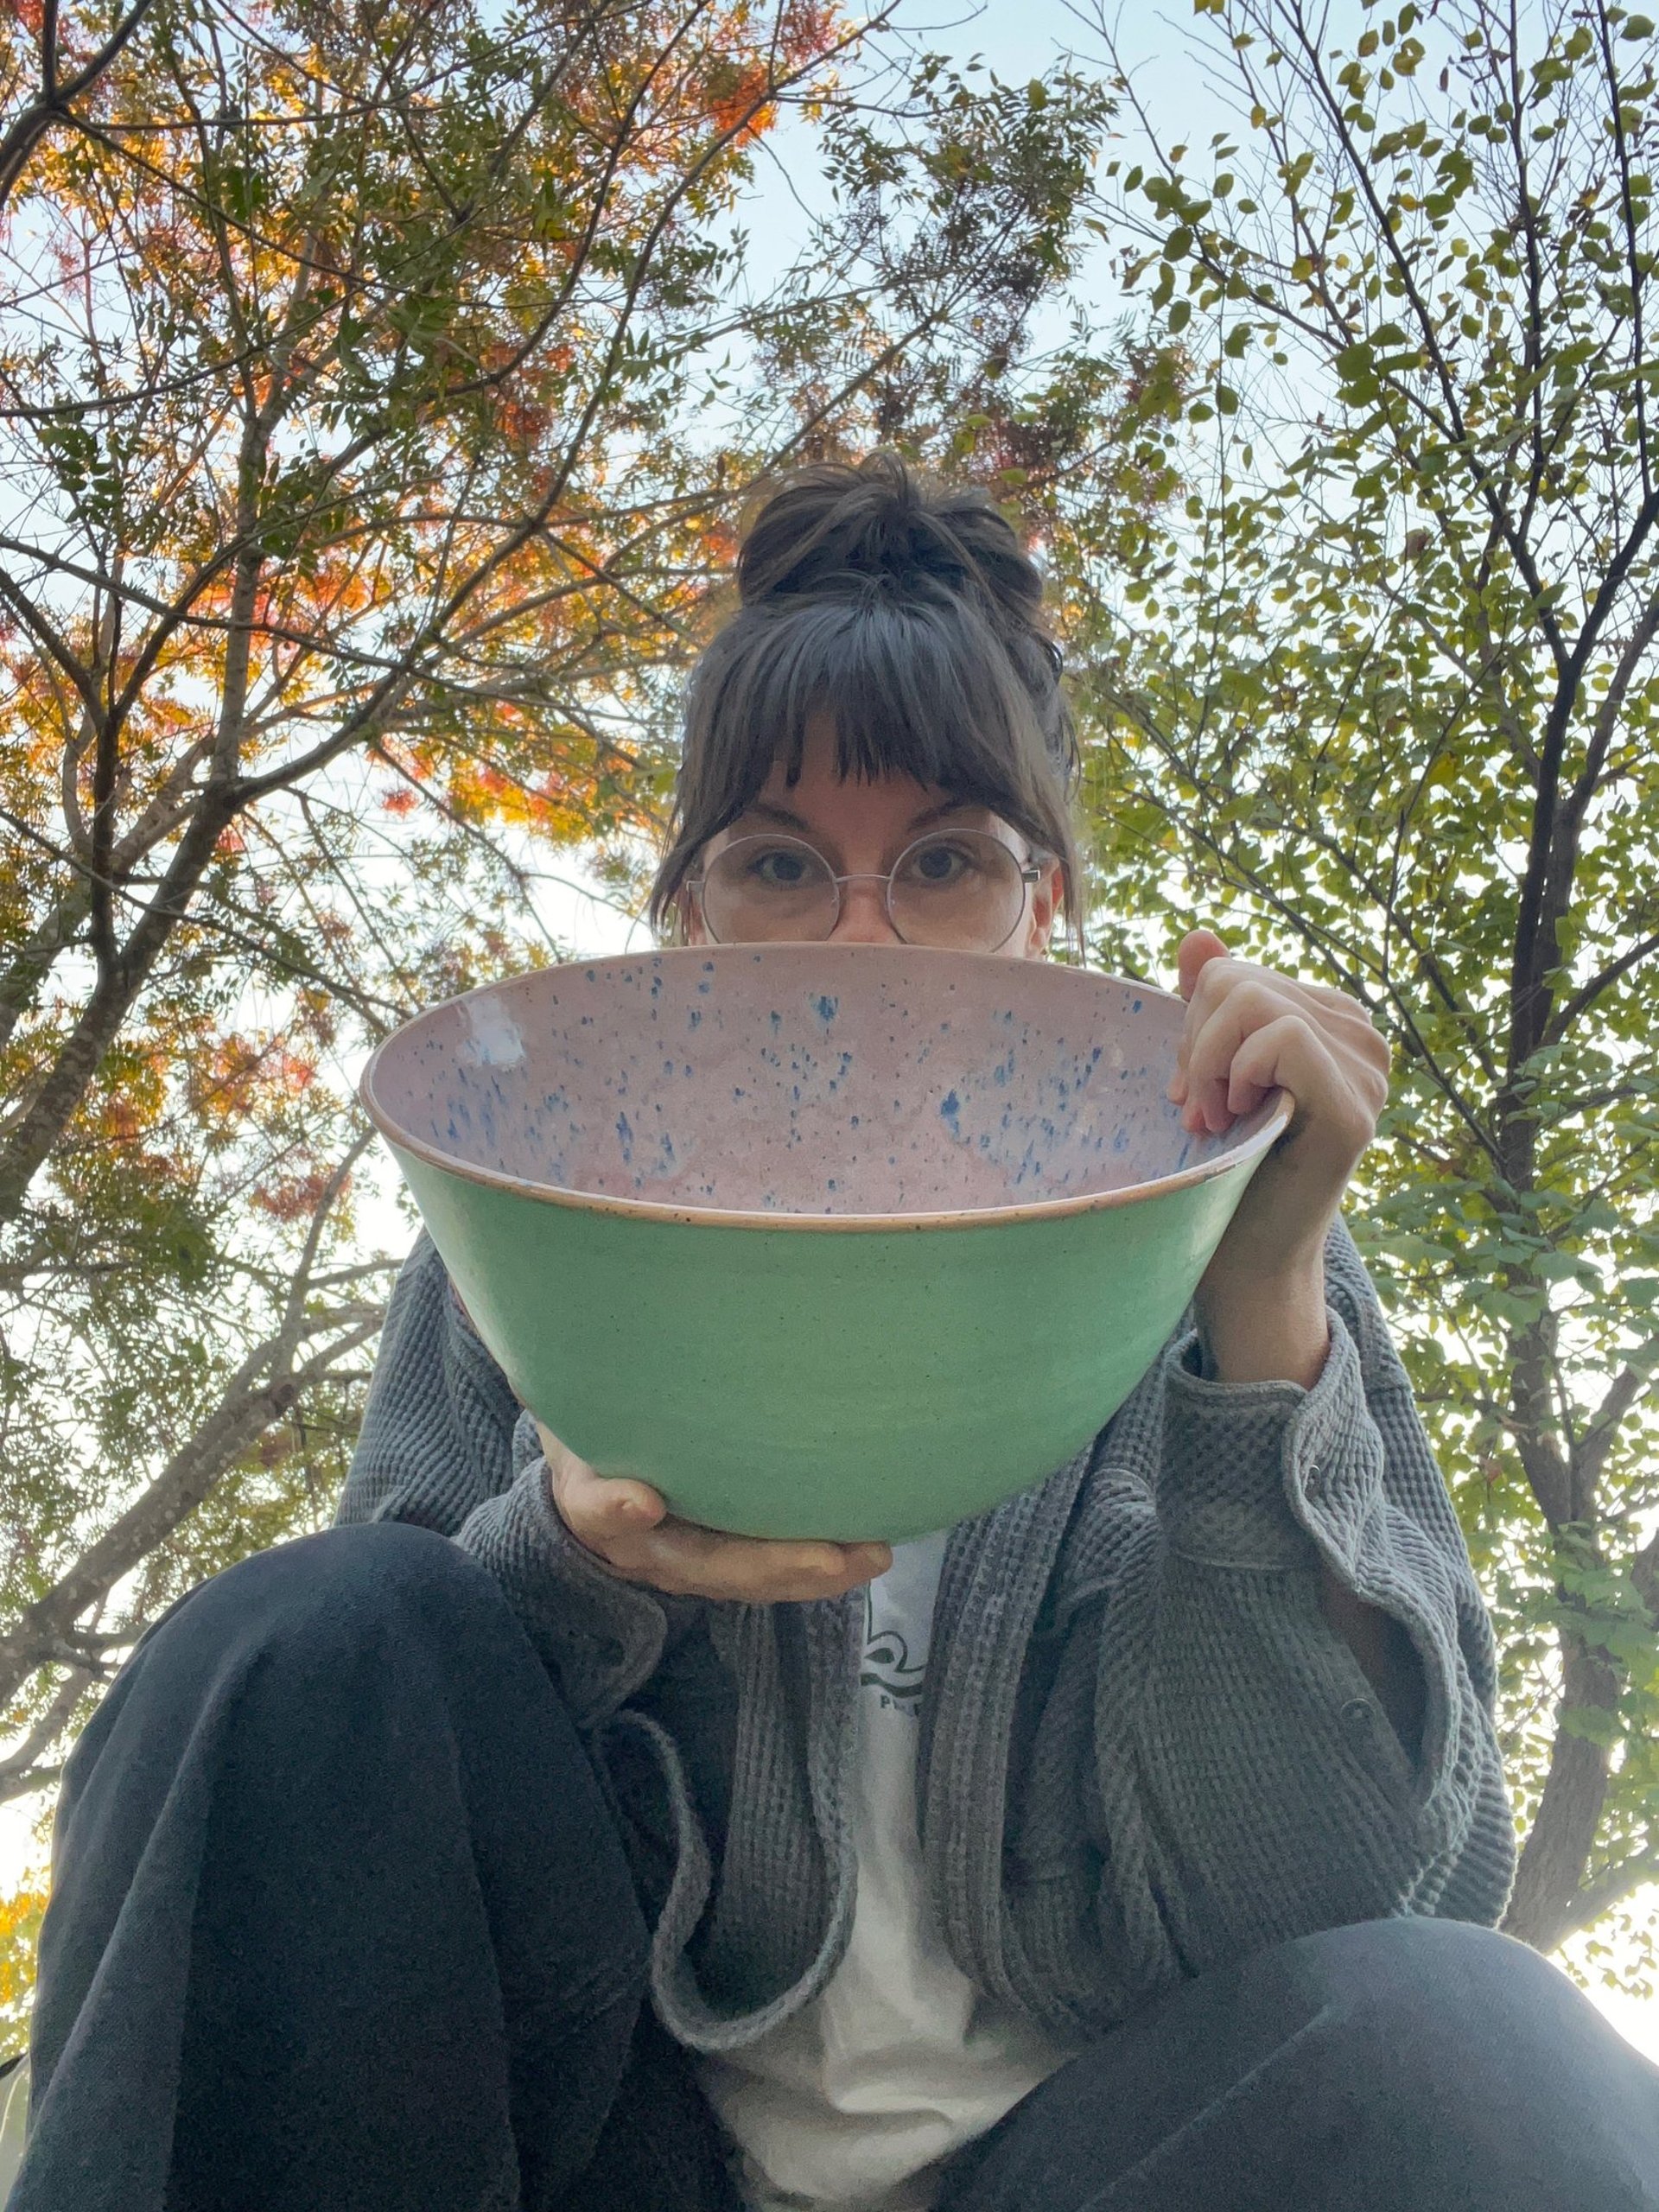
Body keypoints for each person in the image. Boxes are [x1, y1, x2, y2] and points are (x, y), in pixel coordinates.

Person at [14, 455, 1659, 2212]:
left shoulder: (1241, 1254)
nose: (863, 941)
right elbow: (364, 1791)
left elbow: (1333, 1902)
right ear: (690, 915)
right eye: (783, 863)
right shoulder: (532, 1234)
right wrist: (566, 1557)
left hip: (1095, 2159)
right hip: (624, 2155)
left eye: (944, 860)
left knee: (1475, 2032)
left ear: (1049, 910)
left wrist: (1259, 1320)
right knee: (292, 1636)